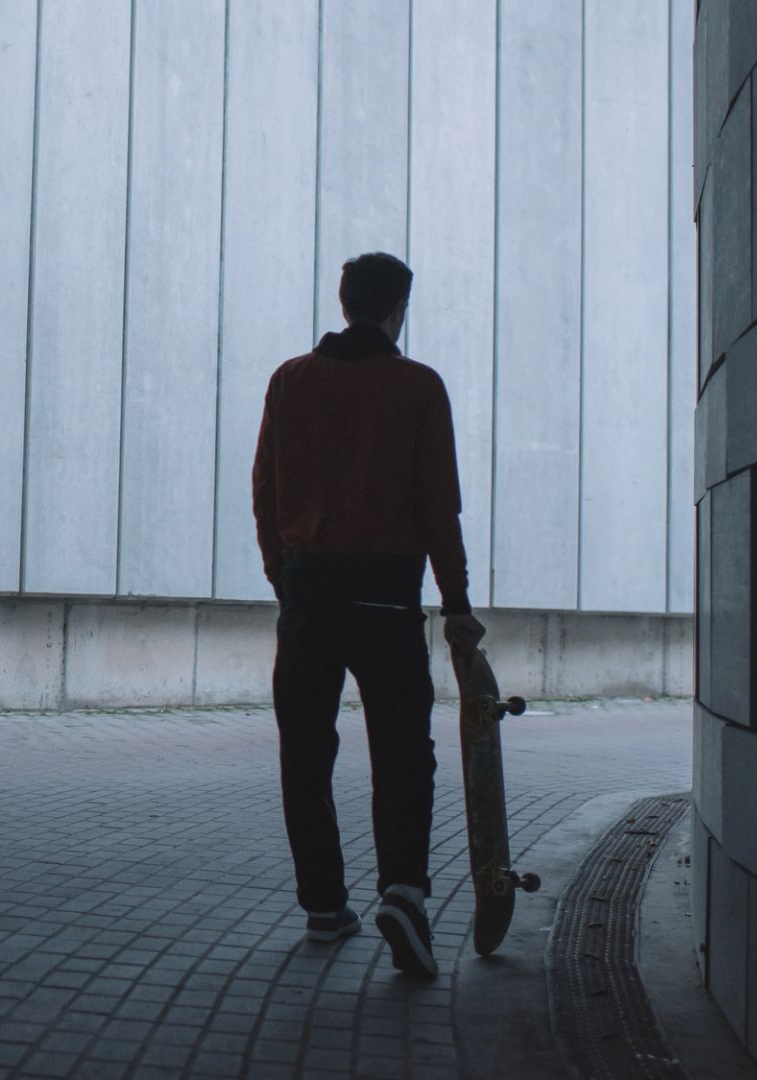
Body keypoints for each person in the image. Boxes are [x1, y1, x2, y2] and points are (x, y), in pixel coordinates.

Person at [250, 252, 486, 978]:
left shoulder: (290, 381)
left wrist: (284, 579)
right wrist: (456, 604)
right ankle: (404, 894)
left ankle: (324, 906)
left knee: (305, 753)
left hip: (309, 592)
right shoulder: (417, 386)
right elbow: (435, 505)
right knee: (403, 750)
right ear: (397, 310)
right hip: (386, 596)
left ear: (345, 302)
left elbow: (265, 492)